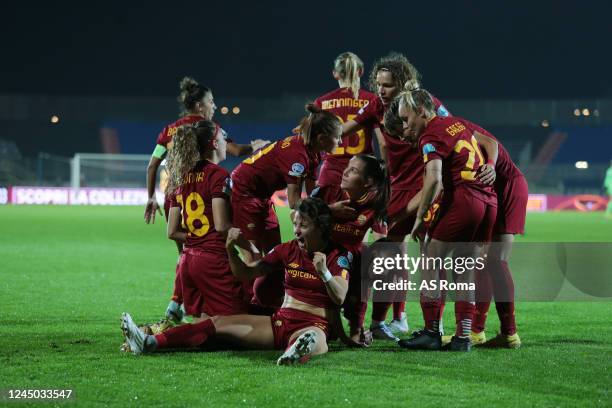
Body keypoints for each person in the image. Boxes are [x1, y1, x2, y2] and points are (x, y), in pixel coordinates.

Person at [121, 198, 350, 366]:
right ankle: (149, 342)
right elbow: (247, 274)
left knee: (314, 337)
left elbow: (340, 296)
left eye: (304, 225)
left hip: (316, 323)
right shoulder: (286, 250)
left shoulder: (338, 256)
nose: (297, 231)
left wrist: (325, 273)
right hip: (280, 321)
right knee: (217, 323)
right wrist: (230, 250)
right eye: (296, 224)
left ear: (320, 227)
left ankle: (298, 350)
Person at [143, 77, 267, 323]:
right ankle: (194, 304)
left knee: (188, 251)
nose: (213, 106)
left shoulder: (170, 129)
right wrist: (253, 147)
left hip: (176, 192)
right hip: (205, 191)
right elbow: (234, 150)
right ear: (200, 106)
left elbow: (152, 165)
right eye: (211, 101)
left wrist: (150, 197)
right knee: (211, 248)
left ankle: (180, 303)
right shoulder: (211, 129)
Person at [396, 89, 497, 352]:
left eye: (406, 119)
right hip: (487, 202)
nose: (405, 125)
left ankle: (431, 332)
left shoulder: (431, 133)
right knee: (464, 270)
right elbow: (489, 143)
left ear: (421, 110)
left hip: (465, 199)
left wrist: (419, 217)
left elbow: (435, 178)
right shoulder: (456, 122)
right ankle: (463, 338)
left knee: (431, 261)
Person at [230, 104, 341, 308]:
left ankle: (268, 301)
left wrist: (323, 207)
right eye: (338, 137)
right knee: (253, 254)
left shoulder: (316, 152)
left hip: (262, 197)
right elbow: (294, 201)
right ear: (322, 138)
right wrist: (328, 212)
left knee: (273, 252)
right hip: (244, 193)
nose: (341, 141)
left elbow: (312, 192)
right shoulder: (297, 154)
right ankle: (248, 307)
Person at [164, 120, 247, 320]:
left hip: (188, 262)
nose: (226, 142)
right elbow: (221, 226)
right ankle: (156, 340)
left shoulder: (181, 177)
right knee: (240, 322)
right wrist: (249, 247)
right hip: (213, 261)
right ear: (214, 144)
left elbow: (172, 232)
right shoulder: (218, 175)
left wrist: (197, 239)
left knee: (206, 321)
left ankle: (159, 338)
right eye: (222, 138)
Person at [460, 120, 527, 348]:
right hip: (488, 190)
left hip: (507, 186)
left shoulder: (451, 125)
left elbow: (491, 143)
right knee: (483, 262)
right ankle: (477, 331)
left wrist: (490, 164)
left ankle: (510, 334)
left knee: (497, 260)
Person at [311, 154, 390, 343]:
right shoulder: (328, 191)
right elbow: (298, 220)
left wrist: (378, 265)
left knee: (379, 261)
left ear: (368, 182)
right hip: (318, 258)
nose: (344, 172)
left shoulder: (376, 202)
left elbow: (382, 239)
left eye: (353, 170)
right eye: (347, 167)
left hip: (349, 262)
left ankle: (362, 326)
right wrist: (329, 210)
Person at [314, 52, 378, 196]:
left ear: (335, 74)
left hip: (330, 173)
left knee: (327, 217)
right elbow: (383, 142)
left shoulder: (321, 103)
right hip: (362, 176)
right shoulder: (372, 100)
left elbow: (312, 146)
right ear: (360, 72)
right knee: (362, 218)